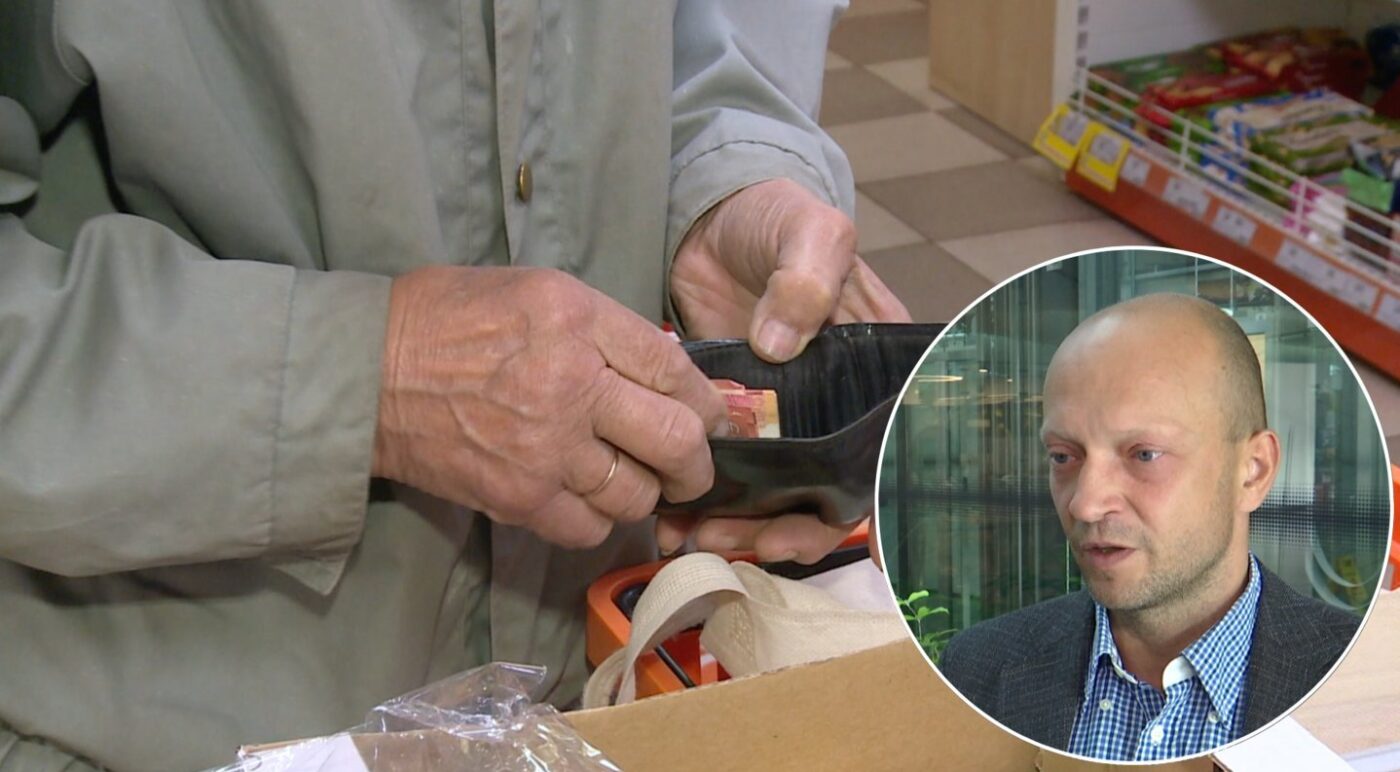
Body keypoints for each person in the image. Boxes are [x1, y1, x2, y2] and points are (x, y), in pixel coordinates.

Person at [0, 2, 910, 769]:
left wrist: (712, 188)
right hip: (173, 721)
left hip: (591, 687)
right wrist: (377, 377)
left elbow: (670, 44)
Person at [938, 293, 1360, 762]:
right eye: (1063, 456)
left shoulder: (1366, 679)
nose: (1085, 504)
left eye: (1145, 455)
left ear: (1253, 472)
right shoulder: (977, 670)